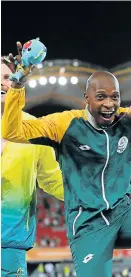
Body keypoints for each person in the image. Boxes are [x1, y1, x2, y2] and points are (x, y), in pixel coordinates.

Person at [2, 42, 131, 277]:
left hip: (124, 215)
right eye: (101, 97)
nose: (109, 104)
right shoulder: (65, 124)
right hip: (88, 226)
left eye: (115, 97)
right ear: (86, 98)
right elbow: (13, 132)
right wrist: (18, 84)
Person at [1, 57, 64, 277]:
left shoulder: (35, 129)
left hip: (10, 247)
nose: (2, 83)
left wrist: (92, 192)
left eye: (7, 77)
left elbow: (53, 180)